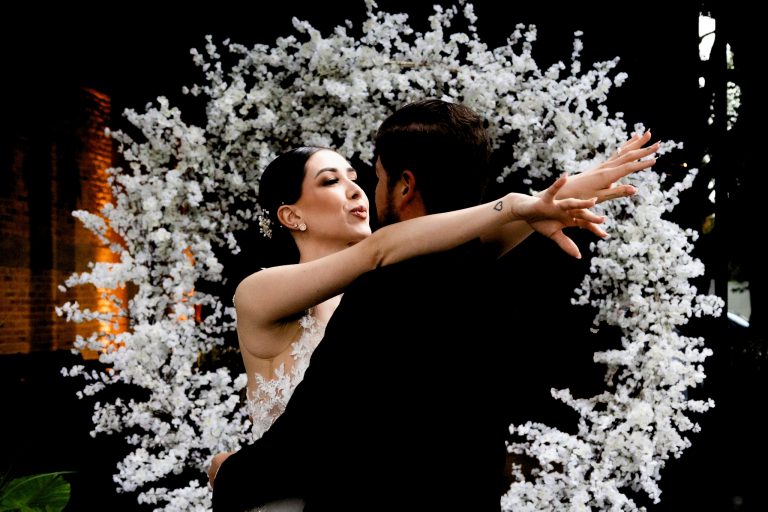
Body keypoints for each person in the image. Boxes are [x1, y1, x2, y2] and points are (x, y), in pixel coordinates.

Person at [211, 99, 658, 511]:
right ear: (290, 215)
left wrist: (555, 196)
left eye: (357, 175)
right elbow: (386, 249)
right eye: (331, 180)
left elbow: (474, 238)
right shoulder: (261, 291)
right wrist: (521, 205)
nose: (356, 189)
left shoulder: (392, 283)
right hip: (282, 495)